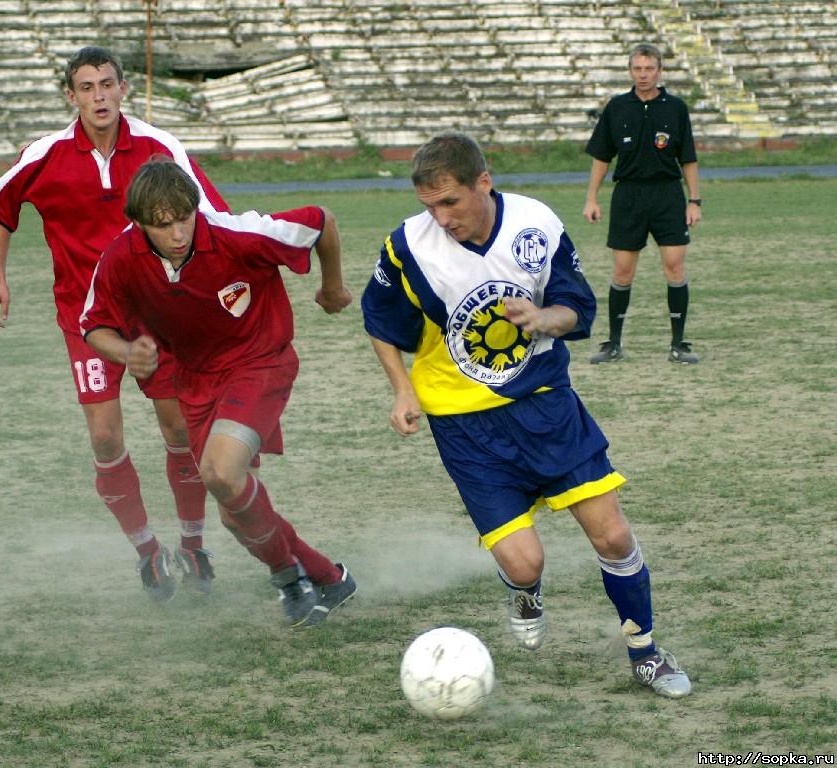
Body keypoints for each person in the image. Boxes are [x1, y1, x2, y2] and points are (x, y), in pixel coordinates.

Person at [362, 133, 691, 698]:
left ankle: (645, 653)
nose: (441, 219)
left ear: (483, 182)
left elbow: (577, 308)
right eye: (429, 206)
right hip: (465, 425)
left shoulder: (534, 225)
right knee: (524, 563)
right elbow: (379, 321)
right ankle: (524, 591)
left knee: (613, 537)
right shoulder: (407, 246)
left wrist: (544, 318)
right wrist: (401, 390)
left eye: (450, 202)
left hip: (546, 405)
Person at [0, 47, 229, 600]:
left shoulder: (160, 147)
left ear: (122, 89)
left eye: (107, 84)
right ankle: (147, 554)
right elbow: (0, 207)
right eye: (87, 87)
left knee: (178, 432)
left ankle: (192, 545)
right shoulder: (44, 154)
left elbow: (212, 215)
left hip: (157, 316)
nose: (99, 96)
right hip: (85, 320)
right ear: (71, 96)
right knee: (105, 435)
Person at [80, 157, 357, 627]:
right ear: (139, 224)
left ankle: (288, 580)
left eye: (184, 218)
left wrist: (332, 287)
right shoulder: (122, 257)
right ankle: (330, 577)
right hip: (197, 381)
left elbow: (321, 221)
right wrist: (126, 351)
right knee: (234, 512)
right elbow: (92, 324)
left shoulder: (236, 235)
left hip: (260, 362)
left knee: (220, 472)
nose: (178, 234)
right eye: (162, 225)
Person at [583, 42, 702, 365]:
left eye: (649, 69)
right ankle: (614, 344)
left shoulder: (675, 108)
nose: (643, 74)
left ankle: (679, 345)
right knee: (622, 271)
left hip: (667, 195)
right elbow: (601, 157)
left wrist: (694, 201)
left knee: (675, 266)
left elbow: (688, 158)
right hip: (628, 196)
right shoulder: (617, 107)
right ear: (630, 71)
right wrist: (591, 198)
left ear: (660, 71)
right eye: (638, 69)